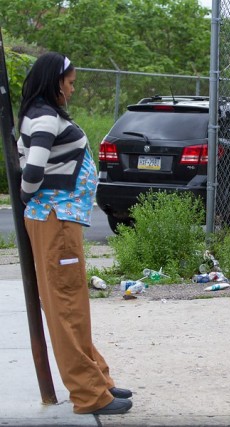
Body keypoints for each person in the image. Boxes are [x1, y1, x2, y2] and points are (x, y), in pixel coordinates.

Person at [17, 52, 133, 415]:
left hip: (60, 221)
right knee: (67, 307)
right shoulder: (45, 119)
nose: (72, 87)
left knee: (73, 305)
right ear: (55, 80)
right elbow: (33, 169)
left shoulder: (44, 115)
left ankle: (99, 381)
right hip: (55, 221)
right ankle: (89, 395)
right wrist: (26, 196)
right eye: (69, 81)